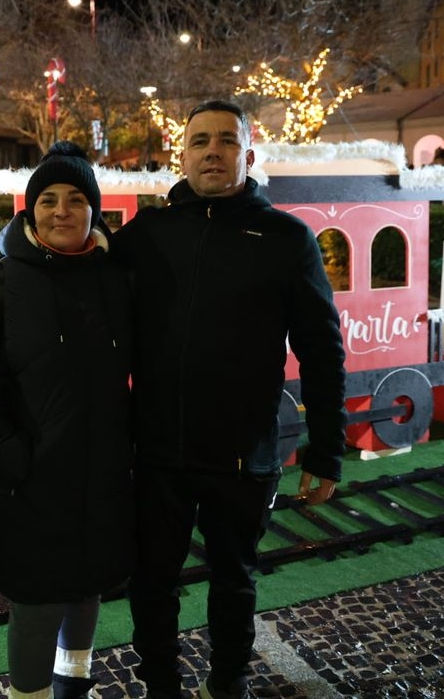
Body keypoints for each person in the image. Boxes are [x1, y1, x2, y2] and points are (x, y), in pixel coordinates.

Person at [118, 100, 347, 699]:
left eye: (225, 140)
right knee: (152, 581)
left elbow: (322, 350)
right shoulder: (146, 235)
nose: (212, 151)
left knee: (234, 581)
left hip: (244, 453)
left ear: (248, 154)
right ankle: (161, 686)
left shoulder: (286, 238)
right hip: (159, 451)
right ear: (183, 154)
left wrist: (327, 450)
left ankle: (228, 684)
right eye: (200, 141)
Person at [0, 142, 134, 699]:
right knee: (38, 605)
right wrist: (11, 458)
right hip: (30, 486)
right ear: (30, 210)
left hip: (102, 478)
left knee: (88, 589)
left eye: (76, 199)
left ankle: (75, 683)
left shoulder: (116, 279)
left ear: (94, 210)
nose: (62, 210)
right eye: (48, 199)